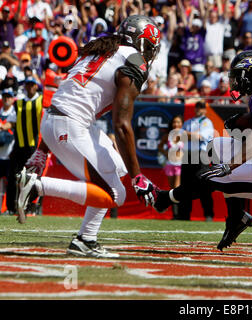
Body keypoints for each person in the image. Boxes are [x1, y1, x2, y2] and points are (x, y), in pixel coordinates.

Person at [16, 15, 162, 258]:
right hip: (70, 124)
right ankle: (38, 186)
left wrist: (43, 150)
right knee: (117, 194)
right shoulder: (134, 58)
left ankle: (86, 239)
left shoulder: (100, 49)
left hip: (55, 119)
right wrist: (139, 177)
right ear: (142, 42)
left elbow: (66, 97)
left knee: (117, 169)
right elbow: (122, 124)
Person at [143, 50, 252, 251]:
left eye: (239, 76)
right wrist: (244, 121)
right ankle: (236, 217)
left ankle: (166, 199)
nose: (236, 82)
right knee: (216, 147)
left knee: (209, 177)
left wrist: (229, 166)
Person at [0, 77, 43, 218]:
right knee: (13, 177)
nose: (29, 88)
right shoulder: (19, 103)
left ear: (36, 87)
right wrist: (2, 126)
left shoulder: (41, 101)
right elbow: (10, 123)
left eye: (32, 85)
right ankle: (11, 208)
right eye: (27, 85)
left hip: (32, 146)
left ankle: (31, 207)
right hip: (19, 146)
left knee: (32, 178)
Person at [177, 100, 215, 221]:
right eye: (197, 107)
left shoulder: (207, 122)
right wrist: (191, 134)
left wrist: (187, 134)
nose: (199, 109)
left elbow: (200, 136)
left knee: (204, 185)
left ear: (205, 110)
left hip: (201, 155)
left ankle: (208, 214)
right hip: (188, 155)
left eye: (201, 107)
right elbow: (179, 136)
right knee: (185, 186)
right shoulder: (188, 122)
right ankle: (184, 215)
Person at [158, 115, 184, 219]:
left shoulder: (185, 135)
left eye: (178, 122)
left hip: (180, 164)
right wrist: (165, 153)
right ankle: (175, 214)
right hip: (170, 164)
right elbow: (159, 146)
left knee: (177, 188)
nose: (176, 124)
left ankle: (179, 214)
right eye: (174, 122)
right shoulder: (167, 136)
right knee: (172, 189)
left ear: (182, 123)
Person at [0, 88, 15, 215]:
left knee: (10, 184)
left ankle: (8, 208)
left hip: (9, 154)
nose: (6, 99)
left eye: (9, 97)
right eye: (4, 96)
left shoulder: (14, 113)